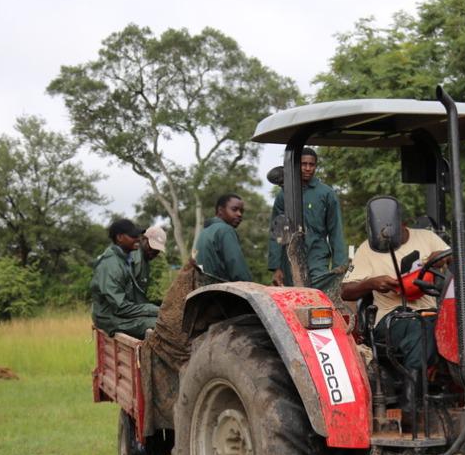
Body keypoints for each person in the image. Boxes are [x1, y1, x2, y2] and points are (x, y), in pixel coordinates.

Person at [341, 210, 449, 375]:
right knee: (418, 327)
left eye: (388, 231)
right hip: (390, 317)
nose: (384, 237)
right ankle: (413, 394)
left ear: (402, 223)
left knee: (459, 324)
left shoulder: (427, 238)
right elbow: (346, 291)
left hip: (431, 313)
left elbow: (455, 259)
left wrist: (443, 256)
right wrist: (372, 283)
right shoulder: (367, 249)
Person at [267, 147, 347, 292]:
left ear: (316, 166)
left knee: (319, 293)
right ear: (296, 165)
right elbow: (278, 234)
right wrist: (276, 267)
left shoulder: (326, 193)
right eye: (304, 164)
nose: (308, 168)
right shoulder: (284, 195)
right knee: (295, 297)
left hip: (317, 254)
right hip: (290, 258)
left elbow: (336, 231)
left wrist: (340, 266)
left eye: (312, 165)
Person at [91, 218, 161, 338]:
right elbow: (121, 307)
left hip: (120, 314)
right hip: (110, 317)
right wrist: (154, 310)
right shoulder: (112, 265)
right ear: (120, 238)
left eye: (138, 236)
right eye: (133, 236)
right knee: (161, 324)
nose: (138, 239)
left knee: (164, 318)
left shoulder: (125, 260)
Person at [192, 193, 253, 282]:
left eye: (241, 211)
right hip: (222, 292)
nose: (239, 214)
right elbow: (238, 269)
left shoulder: (203, 233)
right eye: (234, 209)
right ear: (220, 210)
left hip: (203, 291)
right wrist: (249, 287)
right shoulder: (225, 230)